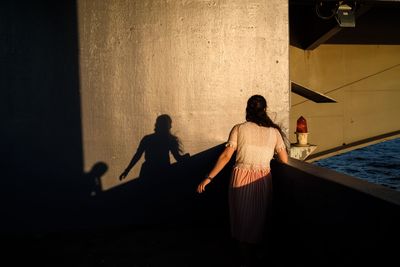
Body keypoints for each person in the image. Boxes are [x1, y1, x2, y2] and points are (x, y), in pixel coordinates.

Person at [197, 95, 288, 266]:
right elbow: (284, 160)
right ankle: (259, 256)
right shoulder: (274, 132)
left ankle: (245, 260)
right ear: (265, 110)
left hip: (241, 176)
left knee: (242, 222)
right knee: (260, 220)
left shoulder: (239, 128)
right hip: (263, 178)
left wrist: (209, 178)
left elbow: (225, 156)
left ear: (247, 109)